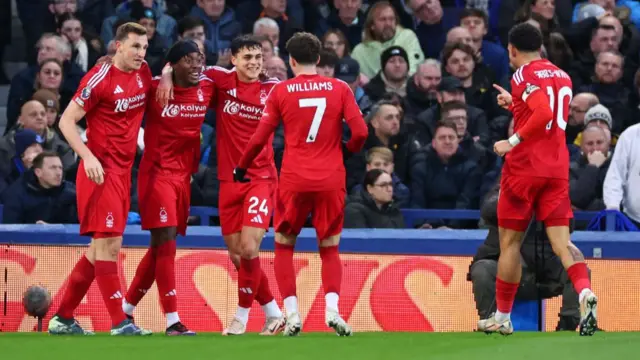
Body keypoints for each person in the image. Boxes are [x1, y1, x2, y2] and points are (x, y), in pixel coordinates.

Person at [235, 32, 369, 336]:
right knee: (330, 248)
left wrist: (242, 166)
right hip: (330, 178)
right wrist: (345, 151)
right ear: (319, 59)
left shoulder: (281, 91)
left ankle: (292, 315)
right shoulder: (340, 88)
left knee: (284, 246)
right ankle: (333, 309)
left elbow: (260, 137)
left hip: (294, 179)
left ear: (291, 60)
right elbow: (360, 132)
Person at [158, 35, 285, 336]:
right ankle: (273, 313)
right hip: (228, 181)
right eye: (247, 57)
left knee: (250, 248)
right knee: (238, 255)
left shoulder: (274, 89)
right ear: (234, 60)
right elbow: (182, 66)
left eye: (258, 57)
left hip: (261, 178)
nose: (254, 63)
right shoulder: (219, 79)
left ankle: (240, 319)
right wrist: (164, 76)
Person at [488, 23, 597, 336]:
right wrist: (516, 104)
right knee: (563, 244)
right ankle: (585, 291)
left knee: (509, 244)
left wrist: (512, 141)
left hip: (525, 168)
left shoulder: (522, 74)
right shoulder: (562, 75)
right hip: (557, 167)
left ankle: (503, 317)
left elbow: (544, 113)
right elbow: (544, 111)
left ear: (511, 49)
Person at [48, 22, 152, 336]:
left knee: (98, 249)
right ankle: (121, 323)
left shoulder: (144, 72)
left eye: (144, 47)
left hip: (123, 172)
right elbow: (66, 121)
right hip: (99, 172)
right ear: (117, 45)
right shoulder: (99, 78)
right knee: (108, 246)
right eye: (135, 46)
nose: (141, 53)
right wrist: (88, 156)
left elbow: (160, 77)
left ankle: (62, 318)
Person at [120, 40, 212, 336]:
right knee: (167, 241)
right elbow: (132, 72)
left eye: (199, 59)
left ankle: (125, 311)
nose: (196, 64)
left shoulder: (208, 87)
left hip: (184, 177)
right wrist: (167, 74)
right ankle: (172, 320)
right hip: (157, 173)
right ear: (174, 63)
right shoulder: (155, 87)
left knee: (159, 246)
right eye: (188, 59)